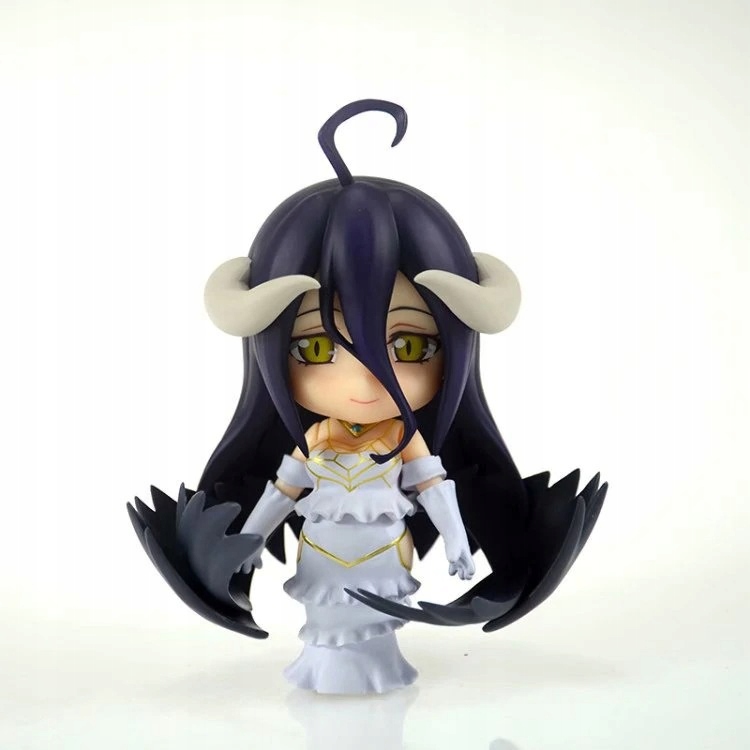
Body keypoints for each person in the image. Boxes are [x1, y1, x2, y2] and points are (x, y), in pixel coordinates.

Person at [128, 99, 607, 695]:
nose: (363, 383)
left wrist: (459, 543)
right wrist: (247, 541)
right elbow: (281, 492)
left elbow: (436, 489)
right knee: (327, 611)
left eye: (408, 346)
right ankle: (323, 665)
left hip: (384, 552)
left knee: (377, 614)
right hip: (323, 551)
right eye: (315, 349)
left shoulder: (406, 441)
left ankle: (378, 665)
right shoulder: (315, 440)